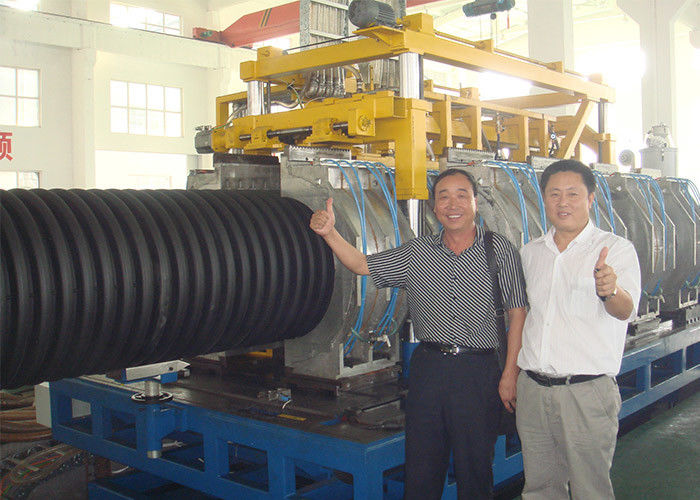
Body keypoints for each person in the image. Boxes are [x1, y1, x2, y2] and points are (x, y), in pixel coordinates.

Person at [310, 168, 528, 499]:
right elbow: (362, 264)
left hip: (479, 370)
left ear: (475, 202)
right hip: (430, 368)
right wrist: (330, 234)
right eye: (443, 196)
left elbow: (517, 312)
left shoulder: (499, 250)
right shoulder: (418, 252)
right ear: (434, 207)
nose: (452, 204)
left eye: (461, 195)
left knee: (475, 468)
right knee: (422, 466)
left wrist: (510, 372)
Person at [516, 159, 642, 499]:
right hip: (533, 390)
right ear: (544, 199)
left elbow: (625, 310)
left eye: (573, 193)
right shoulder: (530, 253)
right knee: (539, 488)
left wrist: (610, 290)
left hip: (586, 392)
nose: (563, 202)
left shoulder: (615, 249)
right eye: (554, 194)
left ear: (590, 198)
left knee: (590, 490)